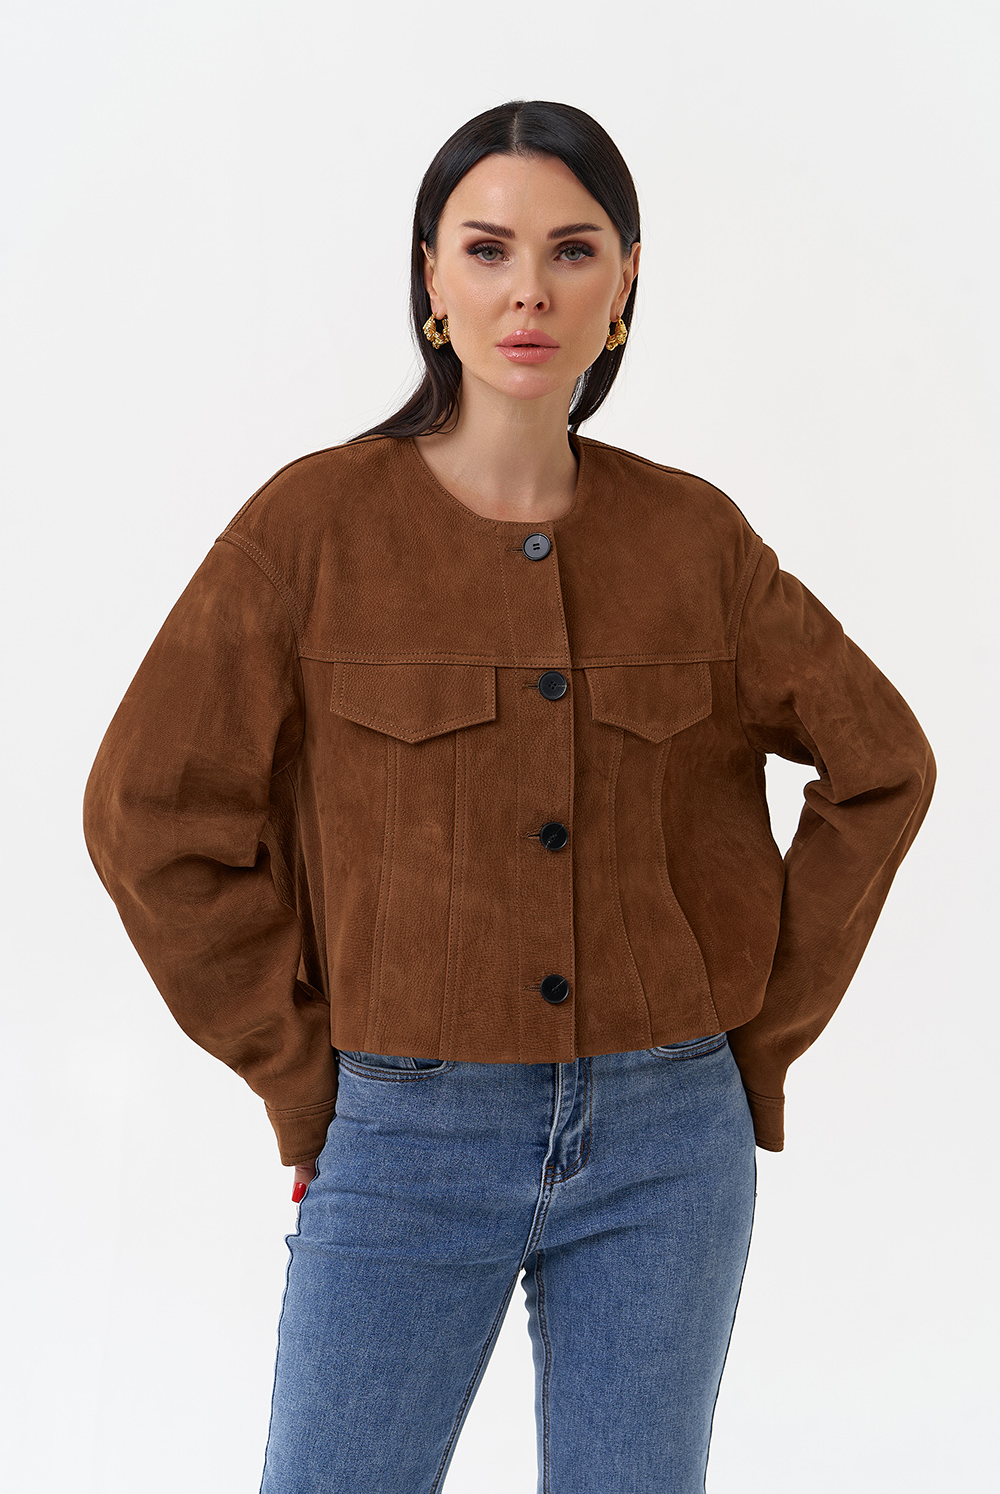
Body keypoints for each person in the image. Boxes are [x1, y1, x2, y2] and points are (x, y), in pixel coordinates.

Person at [81, 99, 936, 1494]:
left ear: (625, 283)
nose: (528, 289)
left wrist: (755, 1041)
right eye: (487, 249)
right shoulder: (311, 529)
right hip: (401, 1138)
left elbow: (884, 764)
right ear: (431, 276)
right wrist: (302, 1074)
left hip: (671, 1147)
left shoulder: (695, 538)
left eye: (571, 250)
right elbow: (149, 814)